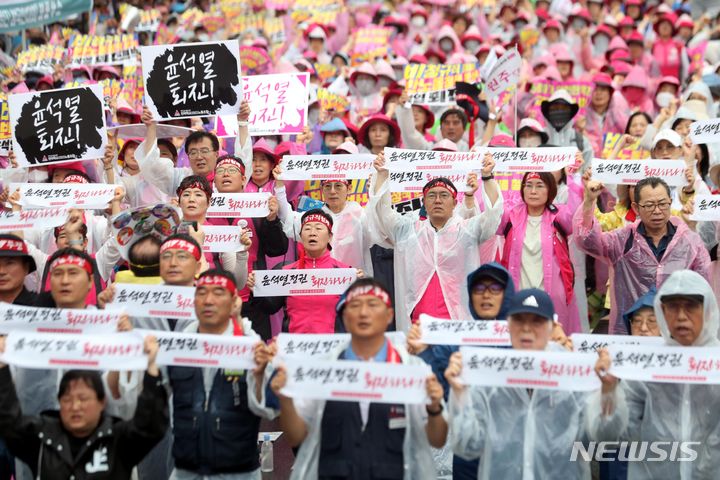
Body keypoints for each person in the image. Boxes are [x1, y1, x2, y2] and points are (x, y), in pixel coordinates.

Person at [269, 278, 446, 479]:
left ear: (389, 315)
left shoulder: (411, 369)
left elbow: (437, 439)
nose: (363, 313)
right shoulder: (322, 370)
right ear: (344, 317)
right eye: (355, 305)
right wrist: (285, 399)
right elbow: (296, 436)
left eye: (372, 304)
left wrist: (435, 407)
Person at [444, 289, 592, 478]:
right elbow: (467, 446)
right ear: (508, 326)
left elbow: (600, 435)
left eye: (537, 321)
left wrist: (607, 392)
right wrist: (460, 395)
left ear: (552, 326)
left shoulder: (573, 375)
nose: (526, 329)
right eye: (519, 320)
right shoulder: (489, 375)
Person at [591, 270, 720, 479]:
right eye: (672, 307)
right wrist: (609, 393)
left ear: (708, 311)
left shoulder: (716, 364)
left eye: (690, 306)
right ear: (662, 311)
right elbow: (610, 437)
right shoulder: (645, 366)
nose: (680, 316)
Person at [0, 335, 168, 480]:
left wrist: (151, 370)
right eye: (67, 399)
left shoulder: (118, 437)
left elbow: (150, 426)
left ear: (102, 402)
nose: (75, 406)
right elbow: (9, 422)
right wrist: (2, 366)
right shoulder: (42, 438)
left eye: (83, 399)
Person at [368, 152, 502, 331]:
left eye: (444, 195)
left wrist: (488, 177)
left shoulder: (467, 230)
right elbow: (382, 213)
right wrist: (382, 175)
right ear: (424, 202)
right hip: (417, 325)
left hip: (458, 322)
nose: (437, 200)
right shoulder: (408, 231)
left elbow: (493, 215)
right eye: (431, 196)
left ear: (455, 203)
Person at [407, 262, 516, 480]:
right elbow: (437, 386)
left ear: (508, 294)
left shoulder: (524, 341)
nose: (486, 295)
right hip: (468, 450)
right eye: (478, 288)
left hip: (514, 450)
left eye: (495, 288)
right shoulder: (454, 342)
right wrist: (422, 353)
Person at [575, 176, 711, 334]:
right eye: (649, 205)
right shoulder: (624, 239)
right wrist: (589, 201)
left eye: (662, 204)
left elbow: (703, 285)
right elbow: (587, 241)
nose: (657, 210)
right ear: (636, 207)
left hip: (677, 330)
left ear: (670, 201)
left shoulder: (690, 241)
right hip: (632, 329)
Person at [499, 168, 583, 334]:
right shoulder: (511, 215)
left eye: (539, 186)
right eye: (528, 185)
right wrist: (484, 178)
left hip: (552, 292)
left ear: (550, 189)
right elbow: (490, 215)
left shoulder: (559, 215)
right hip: (517, 290)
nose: (533, 191)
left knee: (553, 338)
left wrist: (574, 175)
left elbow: (576, 215)